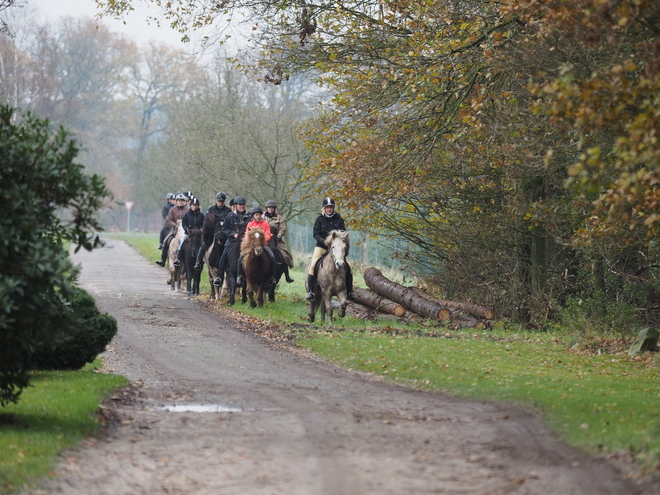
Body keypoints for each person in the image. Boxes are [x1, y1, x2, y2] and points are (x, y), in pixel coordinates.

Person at [305, 197, 356, 301]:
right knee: (313, 264)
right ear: (324, 208)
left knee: (349, 267)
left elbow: (343, 234)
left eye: (331, 207)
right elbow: (315, 233)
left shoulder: (339, 219)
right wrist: (324, 241)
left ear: (333, 208)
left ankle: (350, 292)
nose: (329, 209)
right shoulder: (319, 219)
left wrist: (339, 242)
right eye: (327, 207)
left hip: (336, 249)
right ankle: (310, 291)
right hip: (322, 246)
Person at [213, 196, 251, 287]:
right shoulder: (230, 215)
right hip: (232, 241)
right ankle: (219, 277)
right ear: (236, 205)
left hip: (247, 242)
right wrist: (233, 234)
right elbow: (224, 228)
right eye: (240, 205)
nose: (242, 206)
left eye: (243, 204)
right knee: (224, 255)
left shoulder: (250, 216)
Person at [193, 192, 232, 271]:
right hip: (212, 233)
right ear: (216, 201)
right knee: (203, 245)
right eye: (219, 201)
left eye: (222, 201)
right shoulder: (211, 209)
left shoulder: (228, 210)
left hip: (224, 234)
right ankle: (198, 262)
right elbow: (206, 223)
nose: (220, 203)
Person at [242, 206, 278, 286]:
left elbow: (268, 235)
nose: (258, 216)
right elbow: (247, 235)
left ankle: (272, 277)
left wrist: (261, 240)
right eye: (256, 215)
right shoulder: (250, 224)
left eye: (259, 215)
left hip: (263, 245)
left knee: (272, 257)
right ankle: (240, 276)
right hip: (251, 246)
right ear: (253, 216)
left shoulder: (265, 224)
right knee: (240, 258)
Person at [264, 199, 294, 283]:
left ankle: (287, 275)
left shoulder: (280, 218)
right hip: (264, 240)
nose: (270, 209)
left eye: (272, 208)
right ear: (266, 208)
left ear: (274, 208)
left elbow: (283, 229)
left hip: (276, 241)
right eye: (269, 207)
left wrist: (278, 236)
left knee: (284, 256)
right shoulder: (262, 217)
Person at [156, 193, 189, 267]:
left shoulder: (187, 210)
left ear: (184, 202)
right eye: (179, 201)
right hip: (174, 230)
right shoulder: (172, 209)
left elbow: (189, 219)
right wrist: (175, 225)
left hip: (185, 230)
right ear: (177, 201)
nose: (180, 202)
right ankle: (163, 260)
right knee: (165, 241)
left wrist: (185, 226)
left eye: (182, 201)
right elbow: (169, 220)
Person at [174, 197, 205, 267]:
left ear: (198, 206)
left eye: (196, 205)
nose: (194, 207)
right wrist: (186, 229)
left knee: (205, 244)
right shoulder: (187, 215)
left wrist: (202, 229)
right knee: (181, 243)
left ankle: (205, 258)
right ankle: (178, 259)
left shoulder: (201, 215)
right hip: (189, 233)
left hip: (199, 234)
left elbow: (204, 224)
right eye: (193, 205)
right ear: (190, 206)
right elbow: (184, 224)